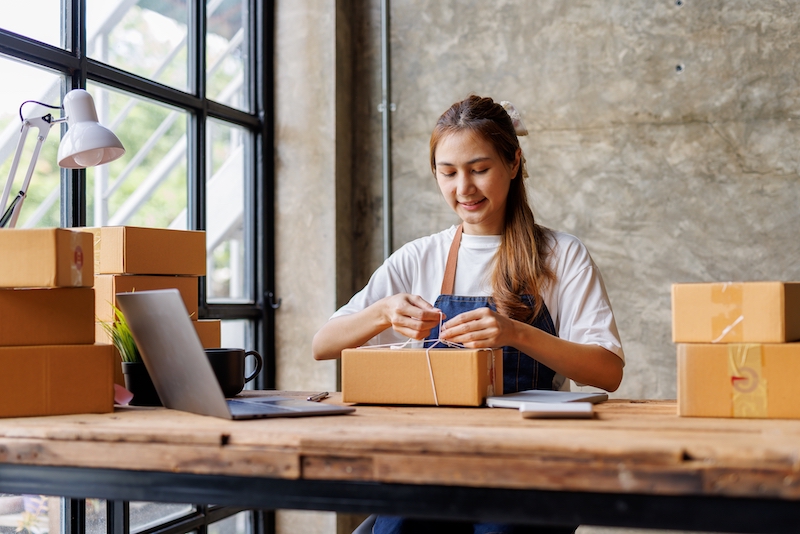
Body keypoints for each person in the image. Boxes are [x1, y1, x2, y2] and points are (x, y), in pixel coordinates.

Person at [312, 95, 624, 533]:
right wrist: (383, 312)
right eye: (449, 172)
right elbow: (322, 345)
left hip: (529, 464)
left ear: (514, 163)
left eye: (479, 169)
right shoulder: (419, 257)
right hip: (433, 459)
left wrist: (516, 332)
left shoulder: (561, 256)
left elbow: (608, 371)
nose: (464, 189)